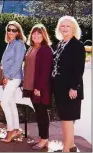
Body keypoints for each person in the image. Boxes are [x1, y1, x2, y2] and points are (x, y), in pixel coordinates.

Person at [52, 16, 85, 152]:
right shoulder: (61, 44)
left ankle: (66, 149)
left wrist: (73, 87)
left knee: (67, 120)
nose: (64, 28)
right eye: (62, 26)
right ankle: (70, 146)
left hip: (71, 89)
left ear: (74, 29)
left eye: (68, 26)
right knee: (66, 119)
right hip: (60, 88)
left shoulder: (77, 45)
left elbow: (79, 69)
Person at [22, 24, 53, 150]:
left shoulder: (45, 49)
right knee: (38, 112)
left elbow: (45, 71)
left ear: (44, 35)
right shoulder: (31, 48)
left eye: (39, 33)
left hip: (40, 87)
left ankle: (44, 139)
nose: (36, 36)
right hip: (30, 86)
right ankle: (42, 137)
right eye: (34, 33)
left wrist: (38, 88)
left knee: (42, 113)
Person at [0, 21, 27, 143]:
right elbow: (5, 61)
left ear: (18, 32)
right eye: (9, 30)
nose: (11, 32)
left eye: (14, 30)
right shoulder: (10, 43)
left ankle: (10, 131)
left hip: (14, 77)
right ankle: (16, 129)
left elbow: (17, 63)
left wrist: (7, 77)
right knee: (10, 103)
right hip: (8, 77)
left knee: (4, 103)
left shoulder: (19, 44)